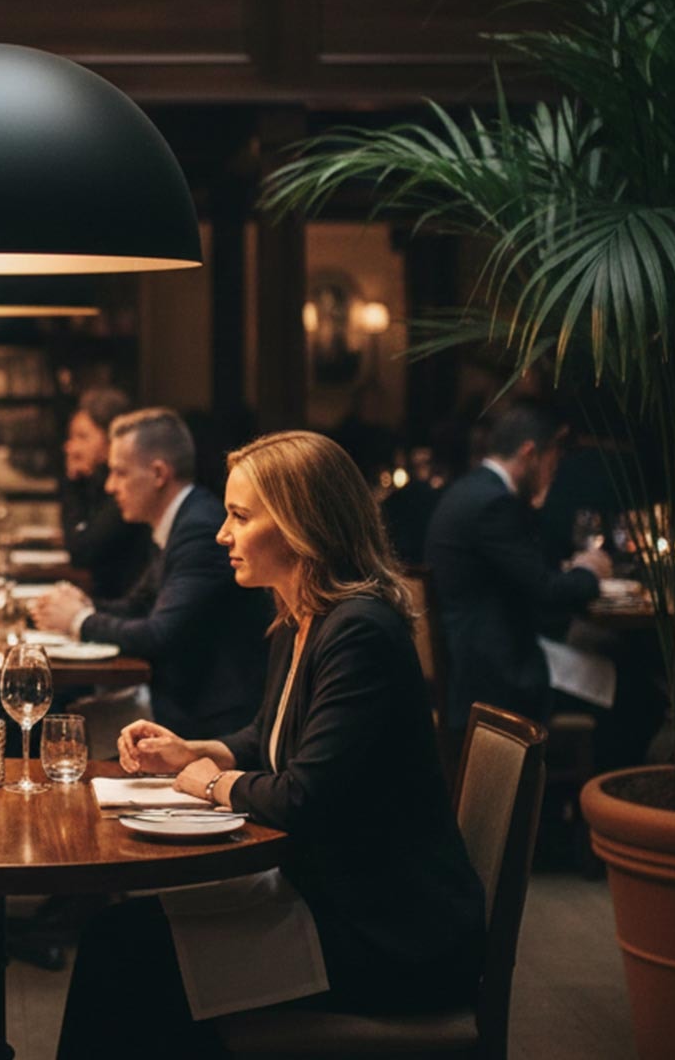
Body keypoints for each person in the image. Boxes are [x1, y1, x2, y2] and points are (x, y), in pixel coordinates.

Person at [56, 431, 485, 1058]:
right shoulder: (301, 613)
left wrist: (201, 781)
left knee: (129, 959)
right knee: (118, 936)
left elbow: (302, 796)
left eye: (239, 516)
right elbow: (270, 737)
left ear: (300, 526)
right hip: (335, 896)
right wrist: (195, 750)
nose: (222, 535)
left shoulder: (359, 630)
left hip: (389, 931)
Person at [32, 407, 271, 738]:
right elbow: (139, 605)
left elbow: (158, 635)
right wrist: (81, 605)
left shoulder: (199, 528)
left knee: (54, 724)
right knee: (53, 714)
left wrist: (79, 620)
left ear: (159, 474)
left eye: (120, 473)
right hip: (174, 698)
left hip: (204, 718)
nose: (110, 486)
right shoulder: (175, 520)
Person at [425, 400, 612, 728]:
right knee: (631, 689)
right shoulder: (493, 503)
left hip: (474, 658)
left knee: (603, 661)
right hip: (497, 675)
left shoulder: (471, 489)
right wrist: (591, 571)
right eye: (551, 466)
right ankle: (582, 778)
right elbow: (546, 591)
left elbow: (525, 576)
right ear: (530, 453)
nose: (552, 478)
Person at [59, 387, 152, 600]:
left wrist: (72, 485)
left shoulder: (126, 489)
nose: (70, 447)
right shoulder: (96, 482)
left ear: (112, 440)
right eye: (71, 437)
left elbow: (82, 552)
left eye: (82, 437)